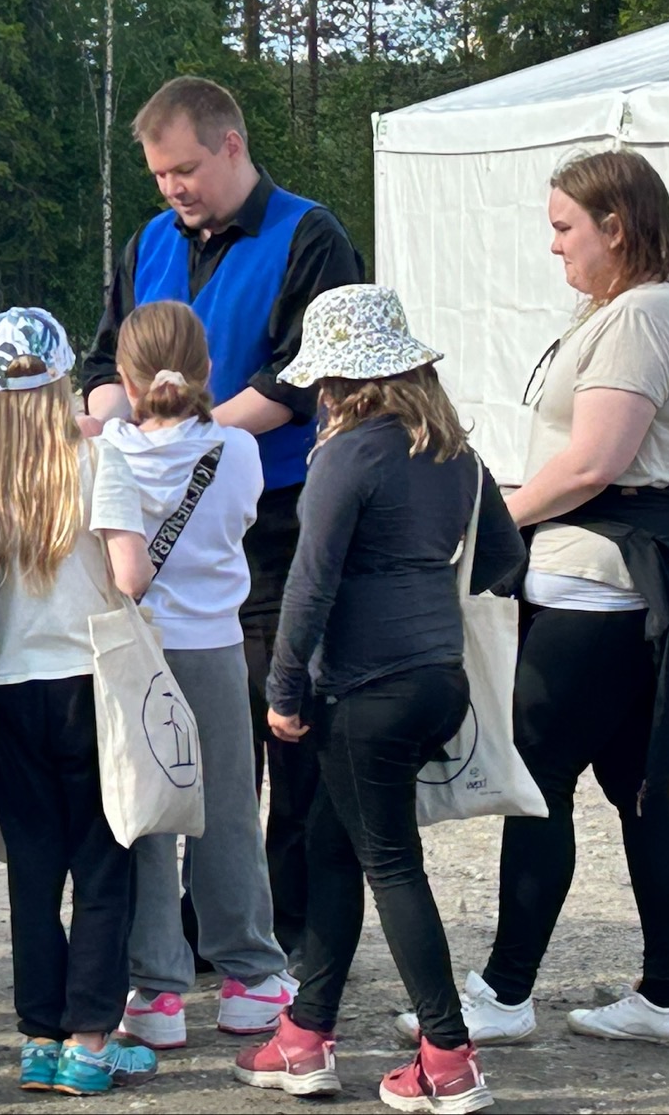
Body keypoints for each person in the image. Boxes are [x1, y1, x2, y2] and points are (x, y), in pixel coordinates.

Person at [476, 148, 669, 1053]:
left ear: (616, 227)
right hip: (620, 580)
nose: (554, 245)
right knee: (640, 784)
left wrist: (494, 522)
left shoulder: (642, 317)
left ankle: (504, 994)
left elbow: (595, 461)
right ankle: (666, 996)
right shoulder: (645, 308)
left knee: (539, 779)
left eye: (565, 228)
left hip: (597, 583)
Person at [80, 75, 362, 965]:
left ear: (232, 145)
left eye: (185, 169)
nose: (173, 188)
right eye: (160, 175)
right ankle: (198, 928)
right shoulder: (148, 242)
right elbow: (105, 360)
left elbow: (301, 376)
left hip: (275, 520)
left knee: (284, 727)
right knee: (180, 734)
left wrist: (191, 438)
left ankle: (289, 931)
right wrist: (113, 428)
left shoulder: (309, 236)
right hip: (159, 523)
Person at [232, 285, 516, 1114]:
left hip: (364, 687)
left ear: (339, 380)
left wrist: (284, 689)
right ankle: (306, 1032)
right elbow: (503, 556)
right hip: (438, 677)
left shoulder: (349, 455)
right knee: (332, 845)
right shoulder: (457, 455)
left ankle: (448, 1054)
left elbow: (309, 586)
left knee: (390, 864)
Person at [0, 308, 161, 1097]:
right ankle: (89, 1041)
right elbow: (131, 574)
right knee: (104, 867)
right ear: (64, 379)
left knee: (33, 871)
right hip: (93, 684)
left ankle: (39, 1036)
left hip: (14, 689)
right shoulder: (97, 460)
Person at [98, 302, 293, 1049]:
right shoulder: (237, 449)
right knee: (227, 813)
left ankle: (155, 989)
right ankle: (249, 975)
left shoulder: (110, 452)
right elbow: (241, 522)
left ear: (125, 380)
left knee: (147, 814)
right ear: (208, 369)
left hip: (138, 652)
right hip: (214, 644)